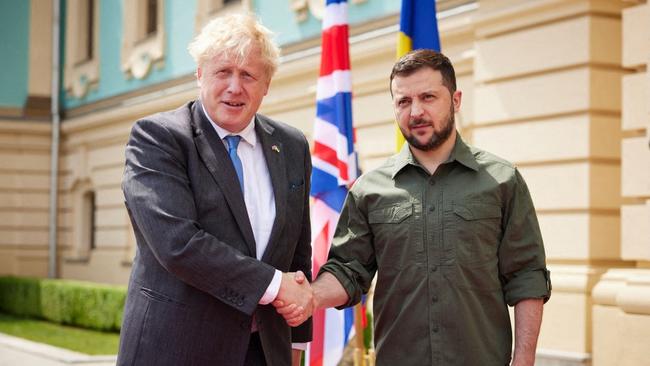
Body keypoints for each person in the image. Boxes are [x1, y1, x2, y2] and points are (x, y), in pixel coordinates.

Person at [276, 49, 552, 365]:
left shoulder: (502, 181)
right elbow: (348, 271)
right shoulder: (369, 189)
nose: (416, 111)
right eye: (403, 102)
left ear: (457, 100)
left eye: (428, 97)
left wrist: (524, 359)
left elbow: (526, 276)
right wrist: (310, 297)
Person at [117, 13, 314, 366]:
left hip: (264, 352)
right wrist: (273, 284)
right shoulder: (158, 139)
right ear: (199, 75)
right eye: (223, 72)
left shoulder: (292, 145)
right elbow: (178, 244)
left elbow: (298, 249)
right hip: (177, 349)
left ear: (266, 84)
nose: (234, 87)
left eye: (248, 75)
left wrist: (297, 340)